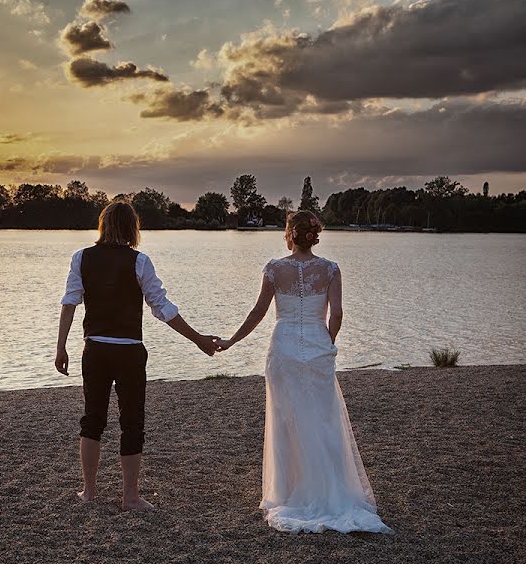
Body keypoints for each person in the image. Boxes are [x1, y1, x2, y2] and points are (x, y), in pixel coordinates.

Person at [215, 210, 393, 534]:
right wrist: (329, 341)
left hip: (282, 350)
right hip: (317, 348)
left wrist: (231, 340)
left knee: (287, 421)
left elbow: (258, 312)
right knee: (322, 418)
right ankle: (329, 488)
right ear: (313, 235)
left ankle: (288, 491)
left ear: (289, 234)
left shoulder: (273, 269)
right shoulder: (330, 270)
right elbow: (336, 313)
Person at [55, 200, 220, 511]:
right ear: (133, 228)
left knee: (93, 419)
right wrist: (198, 339)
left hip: (96, 350)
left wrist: (61, 346)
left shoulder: (82, 258)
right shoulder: (139, 261)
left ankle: (89, 492)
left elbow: (69, 303)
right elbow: (163, 309)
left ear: (102, 226)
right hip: (129, 352)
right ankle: (130, 497)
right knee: (132, 422)